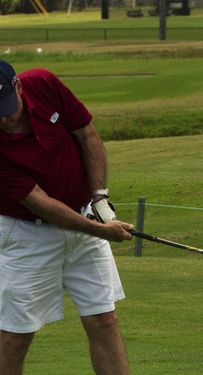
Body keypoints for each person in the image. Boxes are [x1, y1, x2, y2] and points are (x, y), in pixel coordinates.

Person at [0, 59, 133, 374]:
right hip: (25, 235)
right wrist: (101, 231)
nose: (4, 119)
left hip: (85, 214)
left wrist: (100, 200)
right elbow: (40, 202)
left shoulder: (44, 83)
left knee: (104, 319)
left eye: (7, 107)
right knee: (16, 335)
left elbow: (87, 135)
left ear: (19, 86)